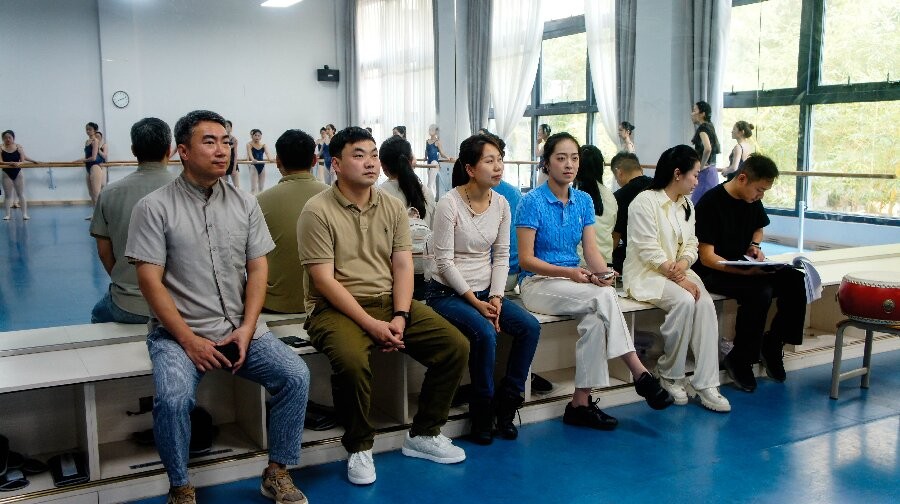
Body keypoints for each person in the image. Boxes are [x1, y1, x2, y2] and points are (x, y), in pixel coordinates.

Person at [126, 110, 310, 504]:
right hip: (178, 335)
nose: (222, 150)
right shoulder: (154, 207)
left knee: (295, 375)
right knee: (173, 400)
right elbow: (149, 281)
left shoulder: (245, 203)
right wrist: (189, 341)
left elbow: (257, 268)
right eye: (209, 142)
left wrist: (247, 328)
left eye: (226, 141)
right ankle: (180, 487)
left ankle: (277, 471)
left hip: (240, 329)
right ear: (183, 151)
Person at [298, 126, 468, 486]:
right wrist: (371, 324)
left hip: (390, 302)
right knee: (351, 361)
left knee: (454, 345)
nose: (370, 163)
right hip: (333, 308)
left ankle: (424, 433)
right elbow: (324, 281)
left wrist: (401, 316)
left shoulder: (391, 207)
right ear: (335, 164)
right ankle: (359, 446)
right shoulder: (316, 210)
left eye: (373, 155)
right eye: (358, 155)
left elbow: (403, 266)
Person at [516, 132, 673, 431]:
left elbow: (591, 252)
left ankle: (580, 403)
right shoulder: (531, 202)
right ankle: (640, 373)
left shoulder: (584, 200)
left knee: (596, 320)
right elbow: (526, 260)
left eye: (574, 158)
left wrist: (602, 274)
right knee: (603, 299)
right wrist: (571, 273)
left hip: (573, 283)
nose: (569, 164)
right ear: (547, 163)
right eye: (561, 158)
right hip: (537, 283)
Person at [425, 133, 540, 445]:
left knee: (529, 327)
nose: (498, 166)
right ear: (470, 169)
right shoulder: (448, 204)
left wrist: (496, 297)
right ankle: (482, 412)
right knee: (486, 332)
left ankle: (508, 403)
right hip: (446, 293)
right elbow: (444, 263)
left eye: (500, 160)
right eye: (489, 161)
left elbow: (501, 256)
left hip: (486, 292)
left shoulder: (501, 204)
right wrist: (477, 304)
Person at [623, 145, 731, 412]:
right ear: (677, 173)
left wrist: (682, 267)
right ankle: (670, 373)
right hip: (646, 273)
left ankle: (706, 383)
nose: (697, 181)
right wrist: (679, 278)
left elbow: (691, 244)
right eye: (695, 175)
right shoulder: (645, 202)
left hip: (678, 272)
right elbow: (648, 249)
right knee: (684, 300)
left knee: (704, 304)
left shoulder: (686, 205)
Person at [693, 153, 807, 393]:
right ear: (742, 178)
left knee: (795, 280)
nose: (760, 196)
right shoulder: (711, 203)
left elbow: (758, 228)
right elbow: (707, 257)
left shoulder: (752, 199)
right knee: (759, 291)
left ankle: (773, 343)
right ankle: (741, 358)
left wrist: (754, 246)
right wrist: (741, 271)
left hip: (744, 265)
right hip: (715, 270)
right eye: (759, 190)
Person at [89, 118, 178, 324]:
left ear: (133, 150)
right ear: (169, 150)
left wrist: (125, 282)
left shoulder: (109, 193)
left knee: (97, 314)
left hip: (128, 305)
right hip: (179, 306)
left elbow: (104, 252)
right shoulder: (190, 192)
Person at [257, 129, 328, 314]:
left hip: (274, 303)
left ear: (277, 161)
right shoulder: (335, 197)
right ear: (314, 160)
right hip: (327, 301)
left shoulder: (258, 202)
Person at [378, 135, 436, 298]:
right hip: (425, 273)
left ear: (383, 166)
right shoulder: (426, 192)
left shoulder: (377, 195)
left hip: (392, 277)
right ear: (411, 161)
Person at [573, 145, 617, 265]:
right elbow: (611, 228)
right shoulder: (610, 196)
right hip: (605, 262)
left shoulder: (571, 196)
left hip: (578, 264)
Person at [611, 152, 651, 273]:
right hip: (665, 254)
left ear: (619, 173)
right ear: (641, 169)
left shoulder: (619, 196)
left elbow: (615, 237)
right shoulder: (659, 187)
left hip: (634, 258)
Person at [1, 130, 38, 220]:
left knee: (21, 194)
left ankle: (24, 214)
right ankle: (7, 215)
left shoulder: (18, 147)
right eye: (5, 138)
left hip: (18, 172)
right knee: (7, 195)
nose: (7, 139)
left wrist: (33, 161)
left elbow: (23, 160)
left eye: (9, 137)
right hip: (6, 172)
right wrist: (10, 163)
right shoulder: (1, 148)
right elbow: (0, 161)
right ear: (3, 139)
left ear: (13, 138)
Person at [689, 101, 721, 204]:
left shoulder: (702, 128)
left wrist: (700, 167)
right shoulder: (710, 126)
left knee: (696, 207)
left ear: (702, 114)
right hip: (712, 172)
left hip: (705, 173)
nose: (692, 113)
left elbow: (707, 148)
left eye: (694, 110)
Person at [78, 121, 106, 210]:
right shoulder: (87, 141)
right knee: (91, 193)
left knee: (96, 193)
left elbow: (93, 158)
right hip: (88, 167)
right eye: (86, 129)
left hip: (95, 167)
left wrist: (83, 160)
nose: (88, 131)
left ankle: (100, 215)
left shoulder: (95, 141)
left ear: (95, 130)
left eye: (90, 129)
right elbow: (87, 156)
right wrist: (81, 160)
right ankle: (94, 213)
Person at [425, 124, 452, 196]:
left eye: (432, 129)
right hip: (428, 163)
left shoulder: (437, 142)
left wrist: (447, 157)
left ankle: (429, 198)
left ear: (436, 132)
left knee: (430, 184)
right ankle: (433, 199)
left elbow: (442, 153)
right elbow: (426, 151)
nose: (430, 131)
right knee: (432, 183)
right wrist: (425, 157)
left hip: (434, 162)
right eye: (429, 129)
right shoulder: (427, 141)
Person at [246, 129, 272, 194]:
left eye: (258, 135)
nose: (257, 137)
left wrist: (270, 159)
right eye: (255, 135)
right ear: (252, 136)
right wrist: (252, 159)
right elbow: (250, 154)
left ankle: (260, 199)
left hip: (262, 166)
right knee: (253, 188)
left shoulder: (263, 145)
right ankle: (252, 200)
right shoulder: (249, 144)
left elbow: (267, 153)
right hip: (254, 166)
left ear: (261, 137)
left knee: (261, 187)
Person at [223, 120, 240, 189]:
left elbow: (235, 155)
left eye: (228, 126)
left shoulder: (234, 140)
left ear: (231, 128)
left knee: (237, 187)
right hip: (224, 163)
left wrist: (234, 168)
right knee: (224, 187)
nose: (226, 128)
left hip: (232, 163)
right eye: (224, 126)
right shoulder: (221, 139)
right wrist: (231, 146)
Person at [534, 123, 551, 187]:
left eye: (540, 130)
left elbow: (537, 154)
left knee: (540, 188)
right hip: (547, 169)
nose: (538, 132)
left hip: (546, 170)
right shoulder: (549, 142)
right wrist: (540, 163)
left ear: (545, 131)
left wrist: (537, 143)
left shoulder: (548, 143)